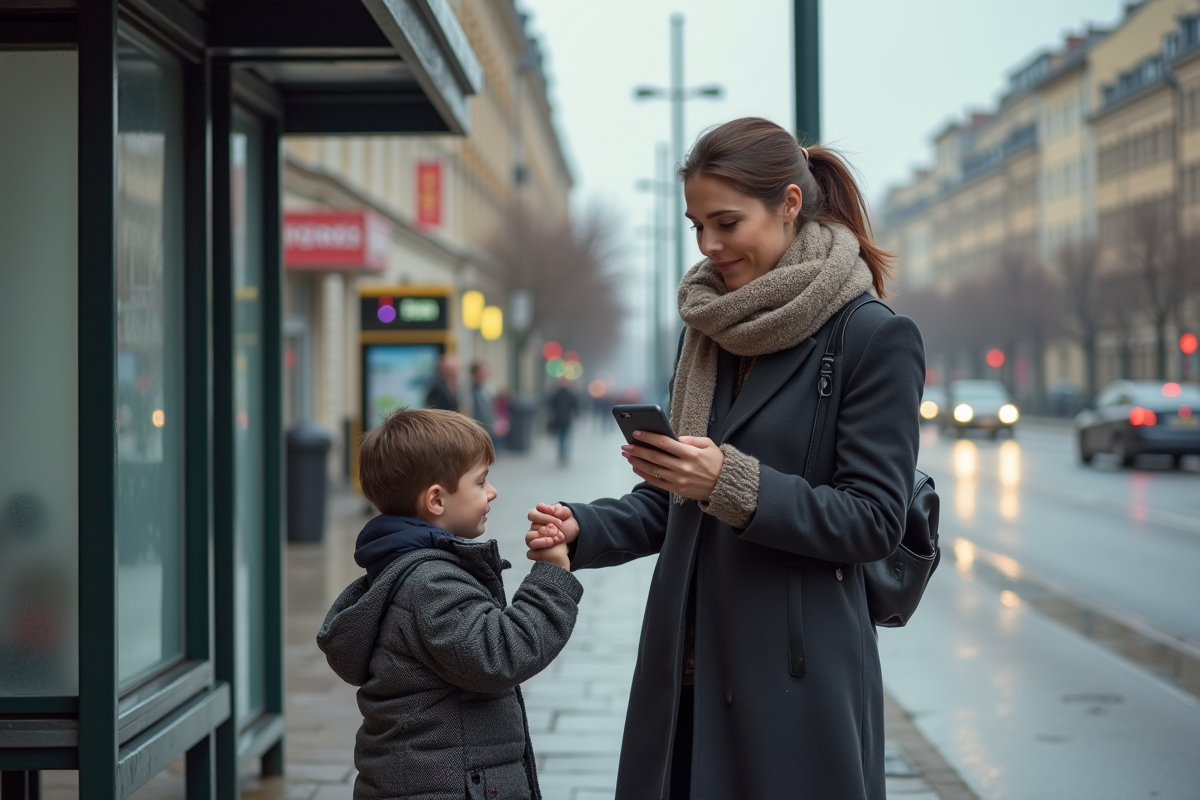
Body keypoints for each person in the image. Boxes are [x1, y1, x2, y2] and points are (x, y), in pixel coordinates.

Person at [525, 117, 924, 799]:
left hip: (794, 685)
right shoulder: (708, 332)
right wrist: (581, 527)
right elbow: (673, 502)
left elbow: (873, 521)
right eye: (696, 225)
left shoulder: (872, 337)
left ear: (789, 204)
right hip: (685, 672)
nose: (709, 247)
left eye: (727, 223)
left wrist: (732, 482)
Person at [318, 408, 581, 800]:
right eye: (481, 481)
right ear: (436, 500)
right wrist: (552, 576)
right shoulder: (431, 584)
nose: (492, 492)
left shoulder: (405, 570)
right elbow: (502, 653)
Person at [547, 377, 579, 466]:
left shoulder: (567, 394)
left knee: (565, 437)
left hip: (566, 420)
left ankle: (564, 453)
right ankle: (562, 453)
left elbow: (575, 406)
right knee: (561, 437)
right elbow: (550, 405)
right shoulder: (557, 394)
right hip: (559, 420)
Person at [470, 360, 497, 441]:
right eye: (484, 371)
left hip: (488, 427)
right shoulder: (468, 389)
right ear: (477, 373)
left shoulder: (486, 388)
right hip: (474, 428)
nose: (487, 373)